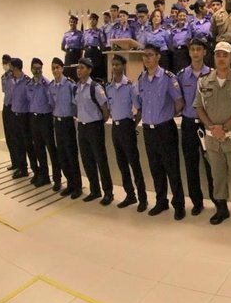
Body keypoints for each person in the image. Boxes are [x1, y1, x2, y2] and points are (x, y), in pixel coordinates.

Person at [194, 41, 231, 226]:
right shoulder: (204, 81)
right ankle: (221, 209)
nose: (221, 58)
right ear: (214, 57)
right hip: (213, 141)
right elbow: (199, 108)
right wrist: (213, 127)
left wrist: (224, 128)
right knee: (218, 176)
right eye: (218, 54)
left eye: (225, 55)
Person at [137, 43, 186, 219]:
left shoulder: (168, 78)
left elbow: (179, 102)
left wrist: (166, 115)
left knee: (172, 169)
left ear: (158, 57)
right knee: (155, 168)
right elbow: (141, 104)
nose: (146, 58)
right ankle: (161, 201)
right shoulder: (141, 78)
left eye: (150, 55)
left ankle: (179, 205)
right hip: (148, 130)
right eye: (144, 55)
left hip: (165, 129)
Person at [105, 55, 147, 211]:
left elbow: (139, 109)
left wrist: (132, 124)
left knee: (134, 164)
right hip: (115, 128)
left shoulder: (130, 86)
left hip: (127, 126)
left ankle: (142, 198)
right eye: (113, 64)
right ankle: (130, 195)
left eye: (117, 65)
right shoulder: (108, 88)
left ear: (123, 66)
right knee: (122, 164)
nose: (114, 67)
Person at [177, 38, 214, 216]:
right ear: (189, 52)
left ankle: (218, 202)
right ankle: (197, 202)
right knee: (191, 165)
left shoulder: (213, 74)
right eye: (193, 49)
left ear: (205, 52)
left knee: (212, 165)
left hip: (208, 126)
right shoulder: (182, 75)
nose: (196, 53)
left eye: (199, 49)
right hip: (189, 125)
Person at [73, 57, 113, 205]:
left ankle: (108, 192)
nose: (79, 70)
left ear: (89, 70)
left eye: (82, 68)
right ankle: (94, 190)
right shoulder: (76, 87)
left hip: (94, 127)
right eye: (78, 67)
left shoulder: (95, 87)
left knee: (100, 160)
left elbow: (105, 109)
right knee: (87, 160)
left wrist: (98, 122)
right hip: (82, 127)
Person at [48, 57, 82, 199]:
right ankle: (70, 184)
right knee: (62, 155)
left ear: (62, 68)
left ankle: (77, 186)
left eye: (58, 67)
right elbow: (51, 104)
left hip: (68, 122)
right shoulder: (51, 86)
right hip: (58, 123)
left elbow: (75, 105)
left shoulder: (70, 85)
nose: (55, 70)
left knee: (71, 155)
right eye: (53, 68)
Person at [27, 58, 60, 189]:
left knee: (51, 150)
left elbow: (52, 103)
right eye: (35, 67)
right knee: (39, 149)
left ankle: (57, 179)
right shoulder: (29, 85)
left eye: (39, 67)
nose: (37, 70)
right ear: (31, 68)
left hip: (45, 119)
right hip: (34, 119)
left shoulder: (47, 84)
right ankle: (44, 177)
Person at [9, 58, 35, 179]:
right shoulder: (13, 81)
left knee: (28, 145)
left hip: (25, 117)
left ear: (16, 68)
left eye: (11, 68)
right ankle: (22, 168)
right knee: (18, 143)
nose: (10, 71)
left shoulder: (27, 82)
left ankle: (36, 170)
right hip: (15, 116)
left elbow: (30, 100)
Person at [1, 54, 21, 173]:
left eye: (6, 62)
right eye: (3, 62)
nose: (5, 65)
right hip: (6, 107)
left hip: (14, 108)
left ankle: (20, 164)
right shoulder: (3, 77)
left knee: (16, 137)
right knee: (9, 136)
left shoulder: (15, 77)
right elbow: (5, 92)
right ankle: (14, 162)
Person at [83, 13, 107, 81]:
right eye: (90, 19)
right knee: (87, 70)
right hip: (87, 53)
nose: (91, 21)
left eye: (93, 19)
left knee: (95, 71)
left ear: (96, 21)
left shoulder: (99, 32)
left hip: (95, 53)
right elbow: (83, 44)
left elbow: (103, 44)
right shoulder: (86, 32)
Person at [170, 8, 193, 73]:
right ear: (177, 17)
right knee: (176, 72)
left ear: (187, 17)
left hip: (185, 52)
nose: (182, 17)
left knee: (185, 72)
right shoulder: (173, 29)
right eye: (180, 16)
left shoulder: (189, 28)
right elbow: (170, 42)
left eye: (184, 16)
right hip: (176, 53)